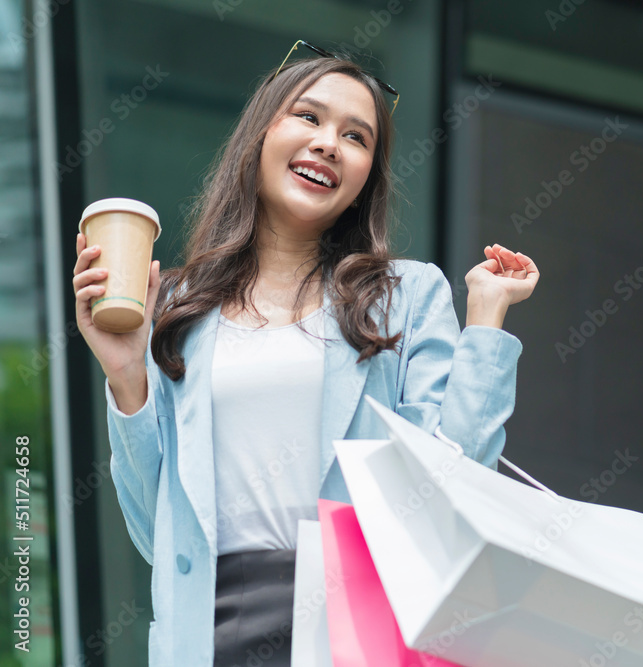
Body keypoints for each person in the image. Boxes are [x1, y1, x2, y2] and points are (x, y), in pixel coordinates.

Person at [72, 44, 538, 667]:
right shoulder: (181, 306)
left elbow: (454, 481)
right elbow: (155, 531)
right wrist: (127, 371)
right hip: (208, 635)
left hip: (356, 624)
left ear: (365, 177)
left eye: (356, 137)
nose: (328, 144)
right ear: (261, 134)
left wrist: (485, 317)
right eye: (309, 118)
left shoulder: (404, 296)